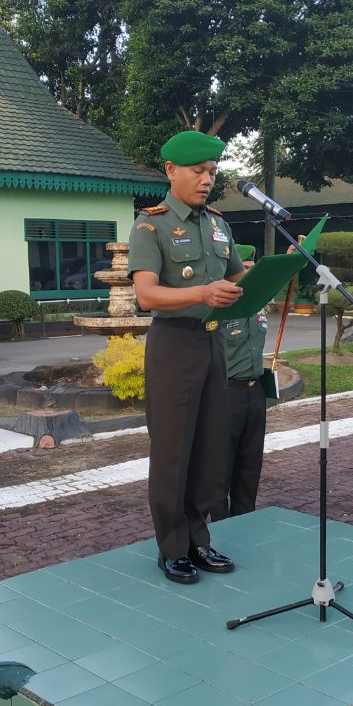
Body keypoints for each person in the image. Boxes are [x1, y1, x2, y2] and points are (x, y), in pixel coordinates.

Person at [128, 129, 245, 584]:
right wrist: (200, 292)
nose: (207, 180)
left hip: (215, 343)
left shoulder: (218, 224)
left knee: (211, 447)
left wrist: (277, 275)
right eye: (198, 171)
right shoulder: (150, 225)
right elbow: (146, 294)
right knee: (174, 450)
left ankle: (200, 539)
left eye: (212, 172)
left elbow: (238, 276)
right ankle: (172, 547)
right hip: (174, 347)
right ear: (171, 170)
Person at [212, 244, 269, 520]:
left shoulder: (258, 307)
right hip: (226, 394)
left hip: (255, 392)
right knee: (220, 468)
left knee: (250, 464)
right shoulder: (220, 312)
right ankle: (220, 527)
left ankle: (246, 520)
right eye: (242, 270)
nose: (246, 277)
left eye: (250, 270)